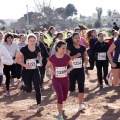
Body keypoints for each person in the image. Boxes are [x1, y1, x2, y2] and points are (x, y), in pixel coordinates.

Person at [15, 34, 44, 112]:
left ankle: (39, 105)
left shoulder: (37, 48)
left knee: (38, 87)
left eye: (33, 41)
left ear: (36, 41)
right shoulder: (24, 49)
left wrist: (40, 61)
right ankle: (22, 85)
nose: (32, 42)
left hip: (35, 69)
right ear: (28, 41)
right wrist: (25, 65)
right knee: (29, 89)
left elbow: (39, 56)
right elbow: (17, 59)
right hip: (26, 71)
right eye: (30, 41)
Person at [46, 41, 73, 120]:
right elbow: (46, 67)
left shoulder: (67, 56)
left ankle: (60, 108)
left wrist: (69, 69)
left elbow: (72, 66)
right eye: (63, 48)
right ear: (58, 48)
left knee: (64, 98)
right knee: (60, 96)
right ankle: (60, 115)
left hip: (65, 80)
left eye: (65, 48)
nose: (64, 50)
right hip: (56, 79)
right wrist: (50, 71)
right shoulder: (53, 57)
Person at [67, 32, 88, 111]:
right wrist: (75, 56)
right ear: (72, 39)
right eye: (76, 38)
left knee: (81, 86)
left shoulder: (83, 47)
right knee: (71, 88)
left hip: (80, 69)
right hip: (72, 70)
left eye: (79, 38)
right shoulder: (70, 47)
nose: (77, 39)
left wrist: (86, 59)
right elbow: (66, 58)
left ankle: (80, 104)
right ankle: (64, 96)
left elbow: (85, 55)